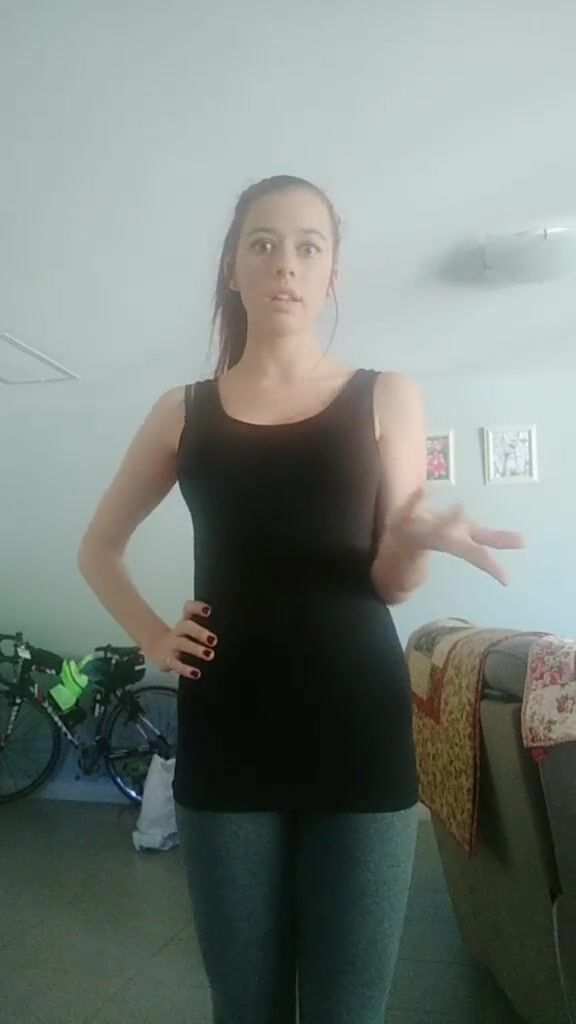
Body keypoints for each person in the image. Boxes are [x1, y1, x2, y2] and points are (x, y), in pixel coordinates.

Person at [77, 174, 524, 1024]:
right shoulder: (182, 412)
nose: (286, 263)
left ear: (331, 274)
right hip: (228, 728)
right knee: (244, 1005)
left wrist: (415, 541)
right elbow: (98, 548)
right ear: (232, 267)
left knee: (347, 1008)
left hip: (359, 729)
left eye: (308, 247)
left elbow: (389, 581)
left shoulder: (387, 395)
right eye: (264, 243)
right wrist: (151, 635)